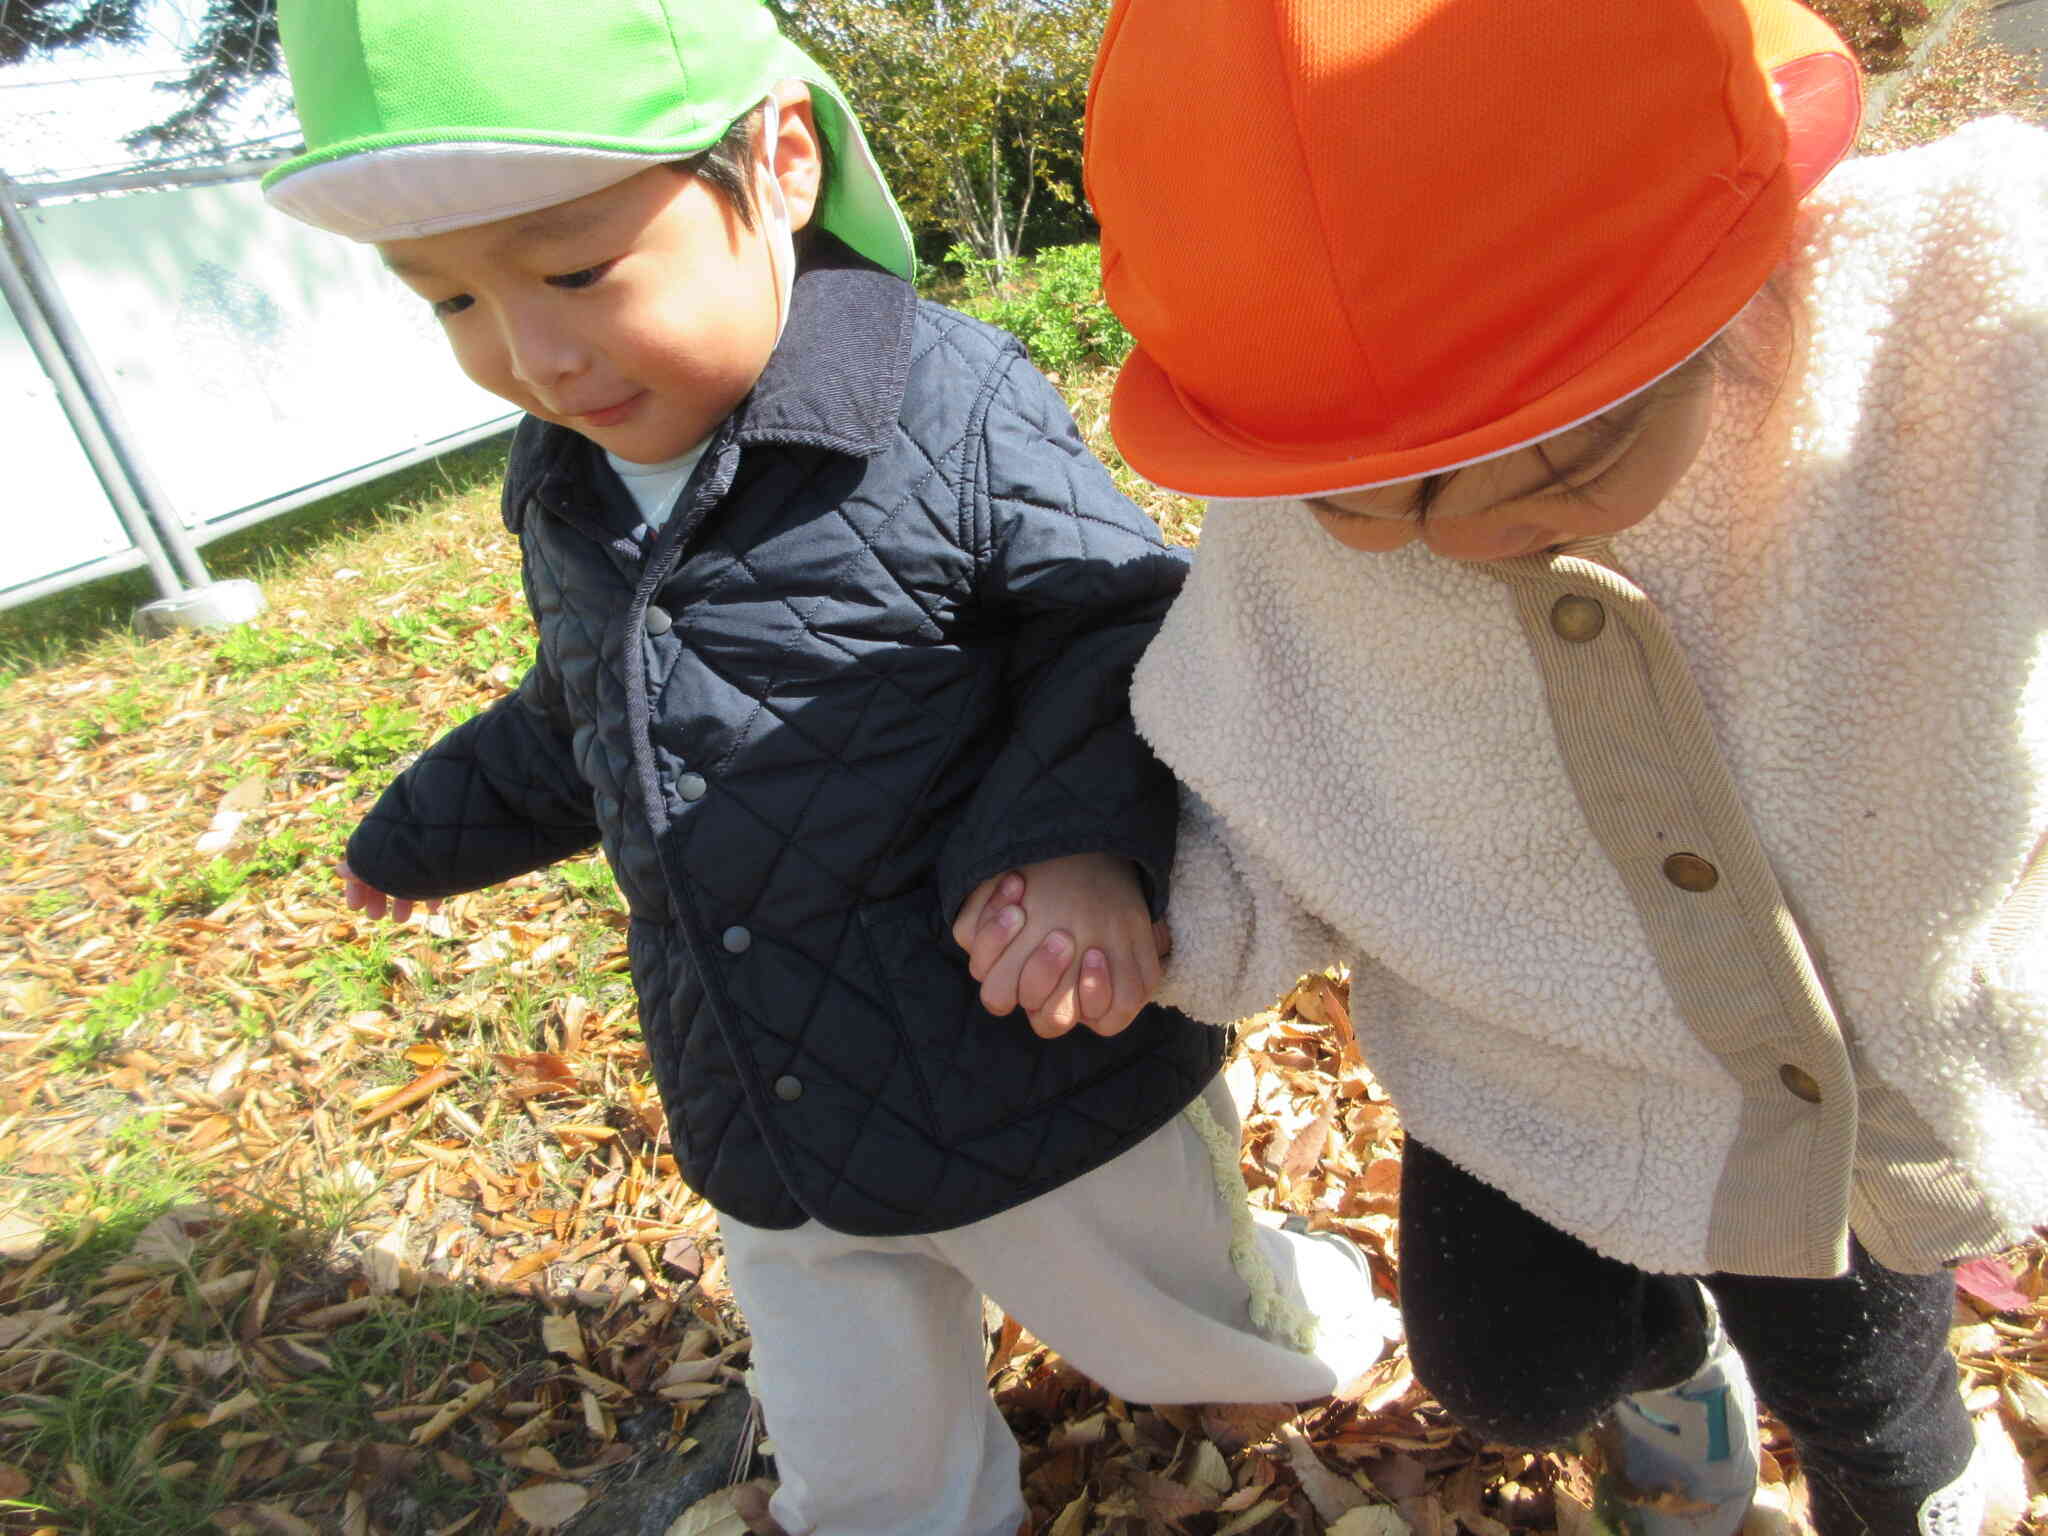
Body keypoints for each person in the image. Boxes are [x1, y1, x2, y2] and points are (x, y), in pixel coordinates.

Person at [261, 2, 1393, 1532]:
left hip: (1023, 1068)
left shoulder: (943, 405)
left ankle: (1308, 1315)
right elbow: (586, 711)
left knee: (1210, 1345)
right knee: (861, 1452)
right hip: (763, 1093)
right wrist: (422, 827)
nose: (531, 353)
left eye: (579, 271)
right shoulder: (568, 476)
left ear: (780, 163)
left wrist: (1077, 847)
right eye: (449, 300)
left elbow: (1113, 627)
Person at [965, 1, 2047, 1531]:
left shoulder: (1956, 324)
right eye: (1376, 507)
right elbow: (1257, 771)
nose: (1468, 531)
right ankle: (1668, 1362)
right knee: (1506, 1372)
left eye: (1565, 458)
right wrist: (1152, 912)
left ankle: (1916, 1482)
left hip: (1849, 1085)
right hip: (1517, 1067)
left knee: (1859, 1372)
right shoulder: (1298, 511)